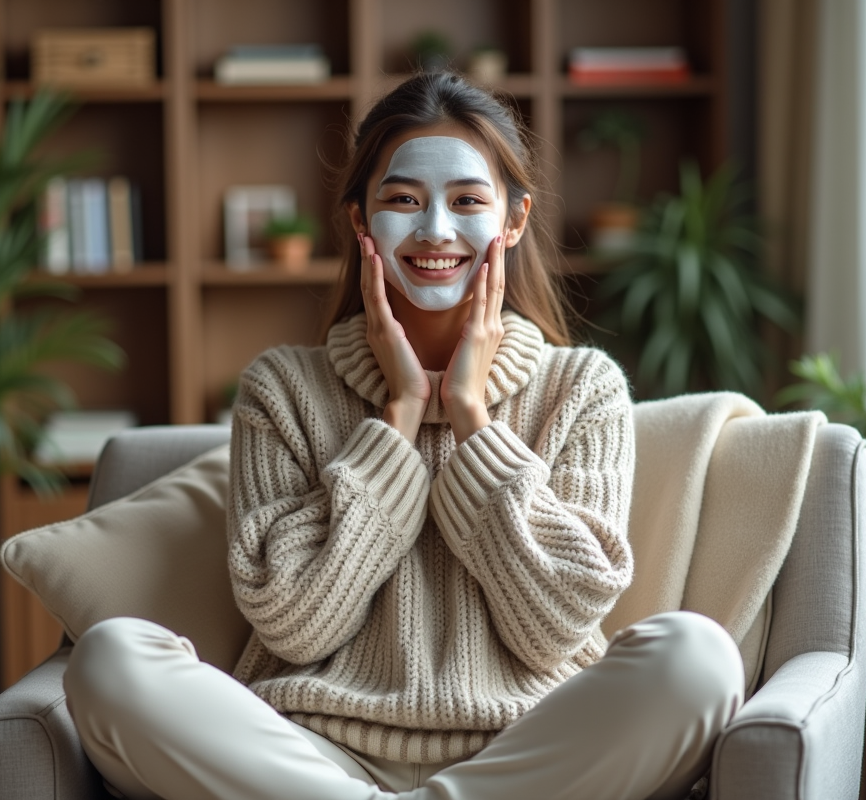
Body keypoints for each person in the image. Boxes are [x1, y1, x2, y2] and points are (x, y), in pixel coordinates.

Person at [63, 71, 744, 800]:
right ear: (361, 221)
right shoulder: (282, 388)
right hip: (313, 757)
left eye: (468, 202)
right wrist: (400, 416)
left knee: (698, 658)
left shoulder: (582, 387)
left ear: (514, 221)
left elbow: (556, 624)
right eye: (402, 201)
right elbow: (295, 625)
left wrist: (472, 416)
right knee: (109, 661)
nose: (435, 232)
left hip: (528, 754)